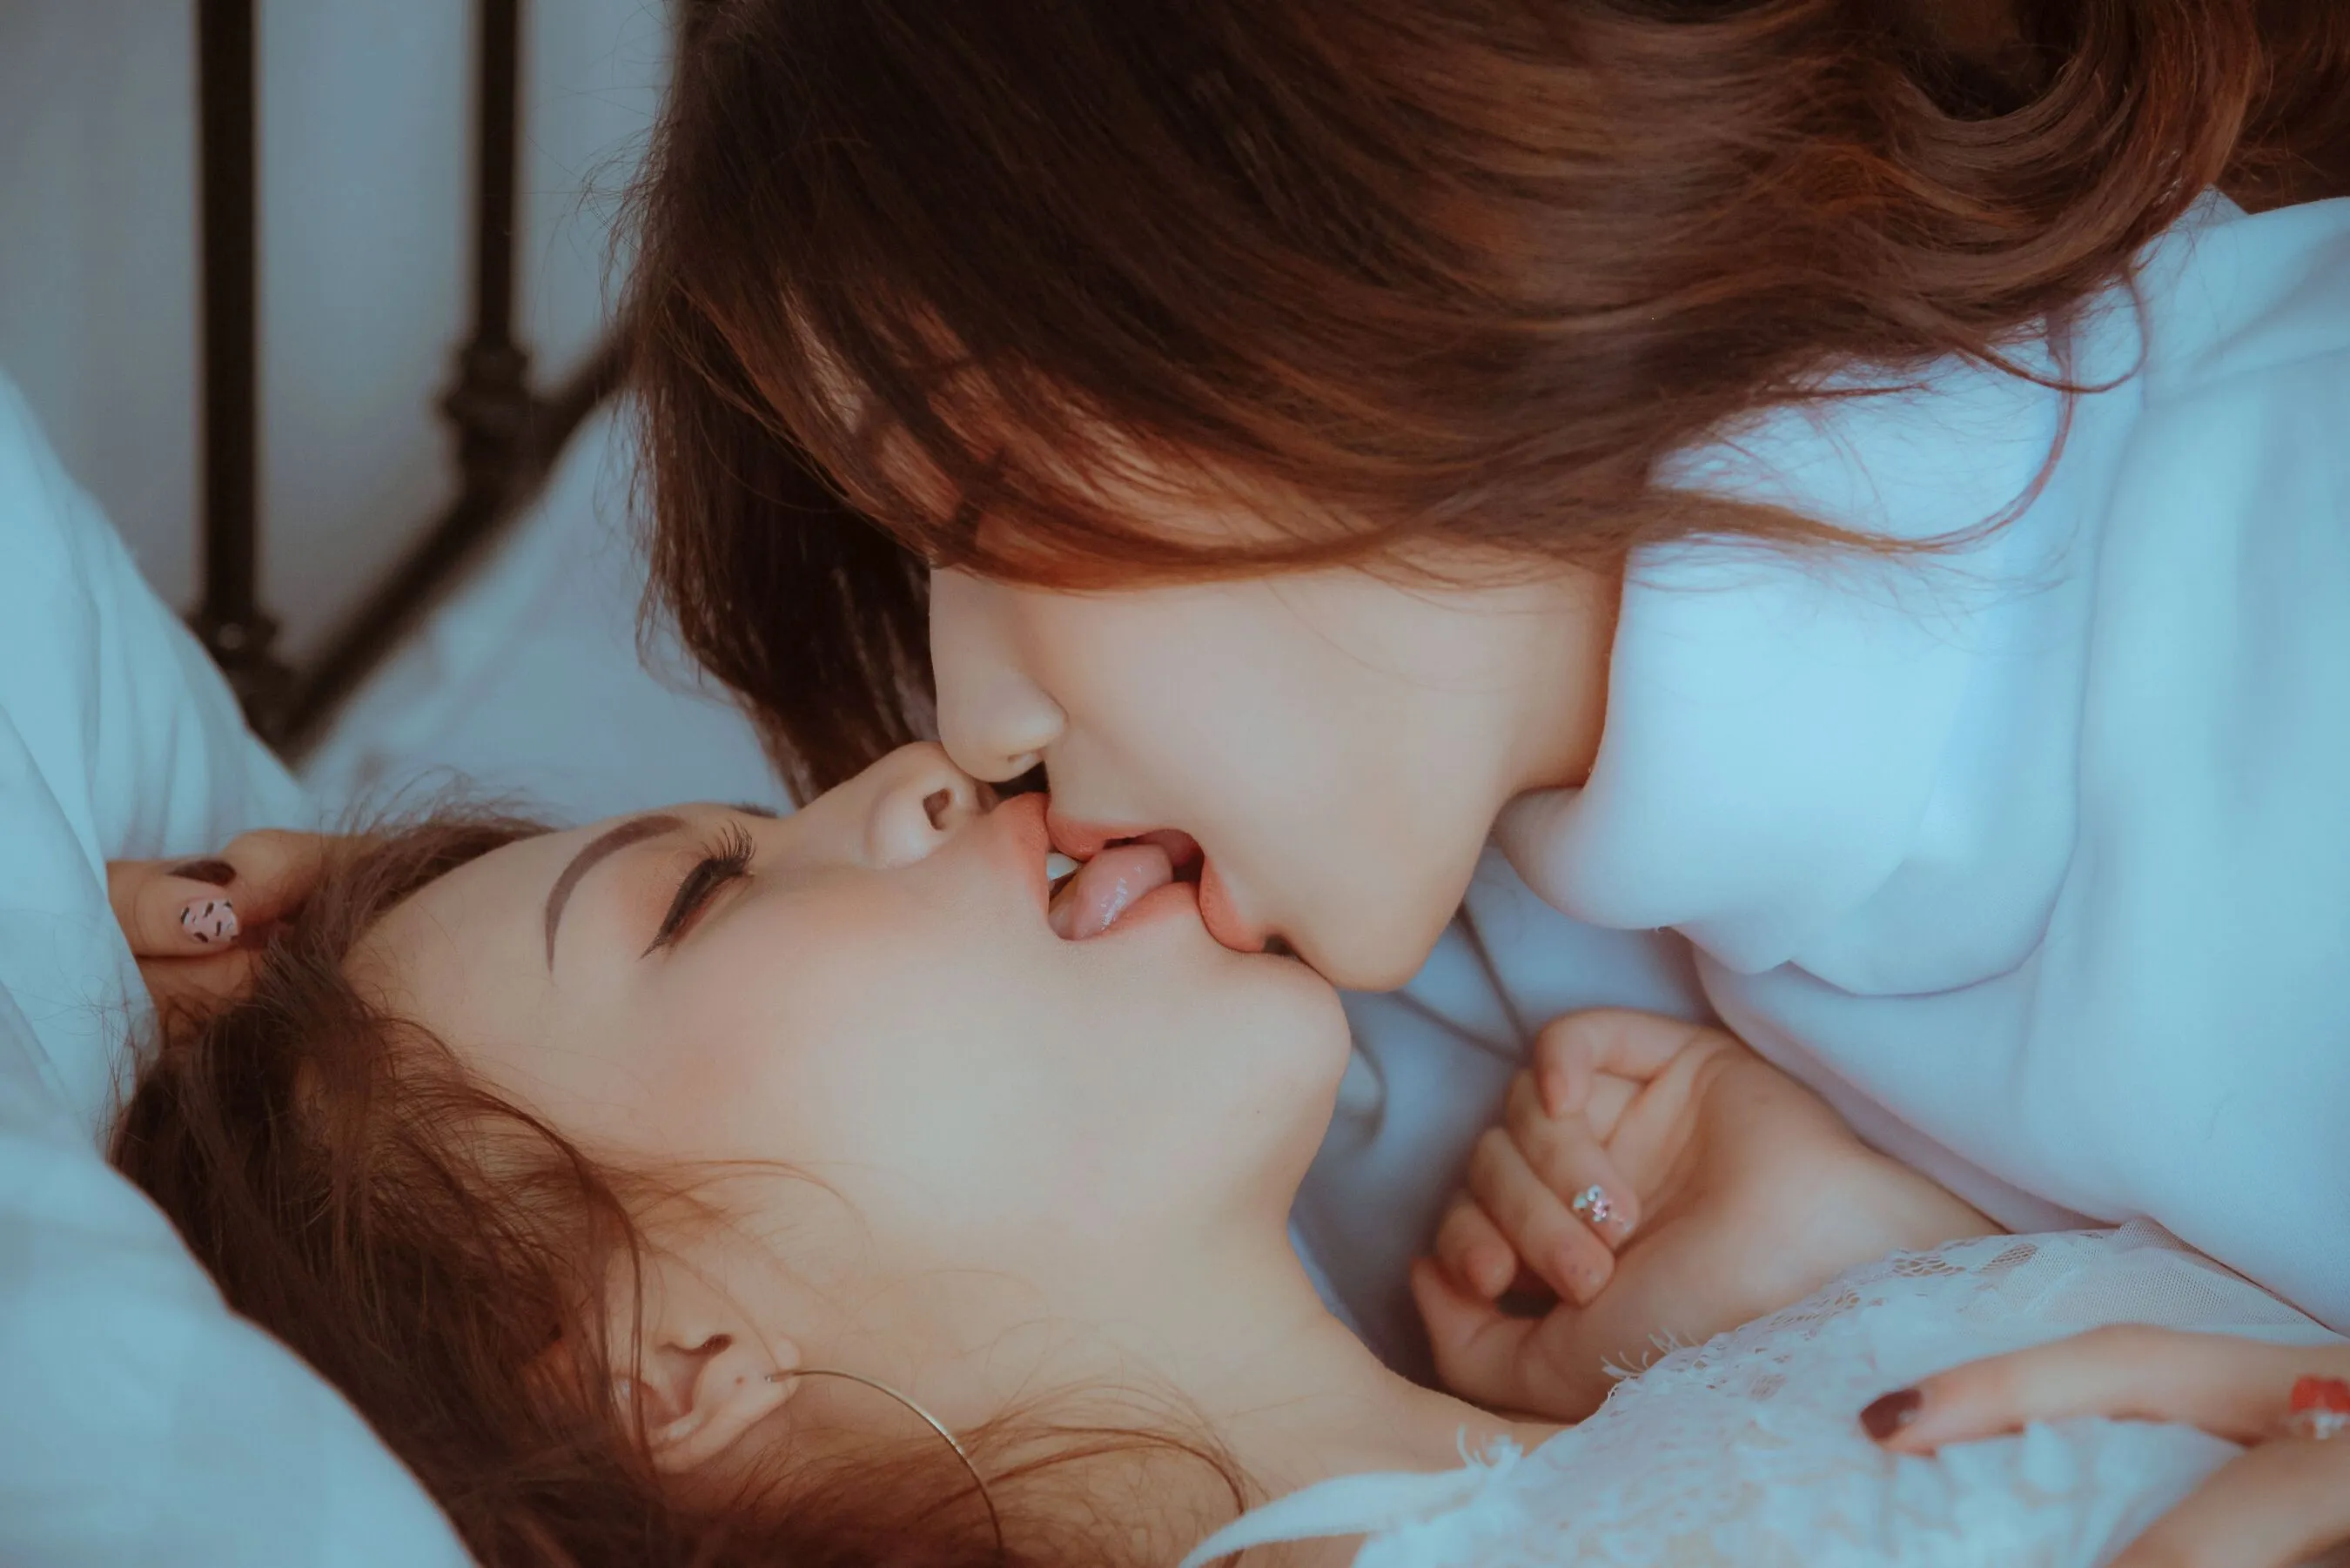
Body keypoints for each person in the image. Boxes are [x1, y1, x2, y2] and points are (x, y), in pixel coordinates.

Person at [105, 745, 2348, 1566]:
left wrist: (1869, 1265)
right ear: (665, 1365)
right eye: (705, 893)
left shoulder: (1734, 1314)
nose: (913, 768)